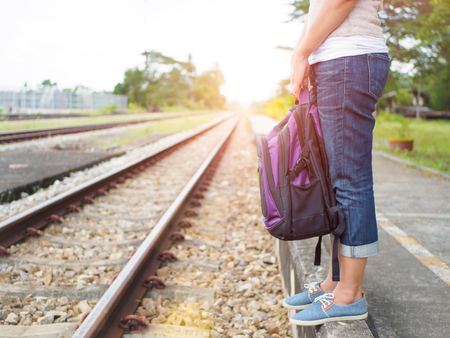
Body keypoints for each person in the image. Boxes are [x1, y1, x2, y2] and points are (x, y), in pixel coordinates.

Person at [282, 0, 390, 326]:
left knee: (348, 178)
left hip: (348, 59)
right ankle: (335, 282)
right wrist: (303, 55)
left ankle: (349, 296)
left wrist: (302, 54)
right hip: (337, 60)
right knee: (334, 181)